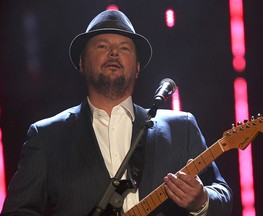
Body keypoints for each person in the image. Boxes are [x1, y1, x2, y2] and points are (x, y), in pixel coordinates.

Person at [1, 10, 232, 216]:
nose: (114, 53)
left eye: (124, 48)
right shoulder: (47, 136)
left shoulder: (181, 127)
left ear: (138, 68)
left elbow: (222, 194)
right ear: (81, 62)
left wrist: (201, 201)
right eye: (102, 46)